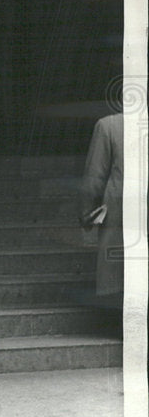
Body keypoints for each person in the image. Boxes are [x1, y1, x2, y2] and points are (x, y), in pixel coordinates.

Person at [79, 112, 124, 305]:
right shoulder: (108, 126)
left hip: (121, 214)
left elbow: (95, 177)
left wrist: (87, 214)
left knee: (122, 278)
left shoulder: (110, 126)